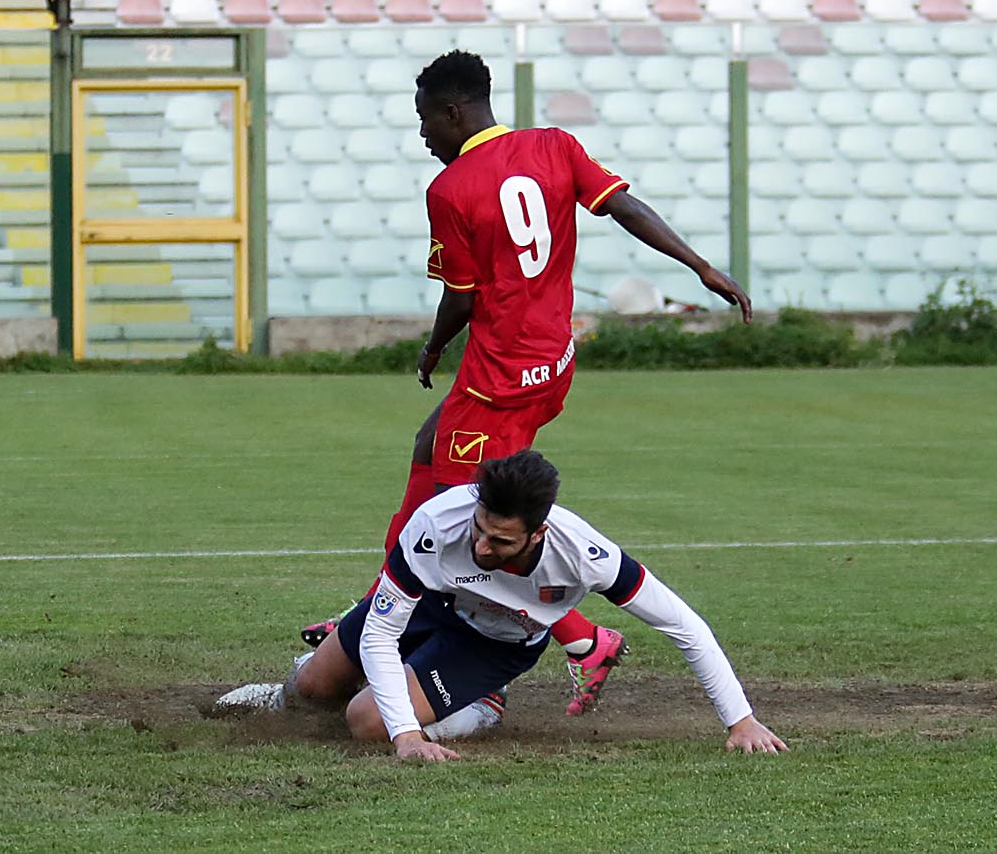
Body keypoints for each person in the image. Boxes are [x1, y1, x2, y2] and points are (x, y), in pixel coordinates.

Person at [302, 49, 753, 720]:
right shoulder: (555, 145)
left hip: (499, 379)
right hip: (551, 363)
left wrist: (432, 346)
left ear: (455, 112)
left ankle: (583, 637)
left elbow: (461, 297)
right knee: (430, 445)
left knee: (465, 516)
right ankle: (378, 594)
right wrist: (699, 266)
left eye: (427, 122)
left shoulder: (451, 189)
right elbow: (623, 206)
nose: (424, 137)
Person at [231, 450, 787, 761]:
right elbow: (380, 630)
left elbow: (685, 625)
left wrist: (740, 721)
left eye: (500, 541)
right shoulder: (437, 525)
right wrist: (410, 734)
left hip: (495, 645)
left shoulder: (586, 555)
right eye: (480, 529)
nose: (480, 545)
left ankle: (479, 705)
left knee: (367, 721)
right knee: (312, 691)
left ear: (538, 533)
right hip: (433, 605)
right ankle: (295, 691)